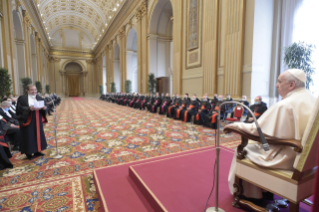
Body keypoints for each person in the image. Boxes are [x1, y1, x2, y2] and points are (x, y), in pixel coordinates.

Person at [227, 69, 316, 203]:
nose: (276, 85)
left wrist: (235, 126)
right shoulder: (313, 100)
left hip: (287, 160)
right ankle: (265, 191)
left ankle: (249, 195)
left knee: (244, 149)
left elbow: (256, 130)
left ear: (291, 85)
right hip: (308, 160)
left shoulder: (285, 105)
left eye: (280, 82)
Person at [16, 84, 48, 160]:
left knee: (38, 134)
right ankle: (28, 152)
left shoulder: (39, 98)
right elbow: (19, 108)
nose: (34, 91)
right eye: (32, 90)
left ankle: (38, 151)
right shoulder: (22, 98)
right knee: (29, 135)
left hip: (37, 119)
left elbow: (45, 107)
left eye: (35, 90)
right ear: (27, 90)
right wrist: (29, 109)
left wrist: (44, 108)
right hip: (28, 118)